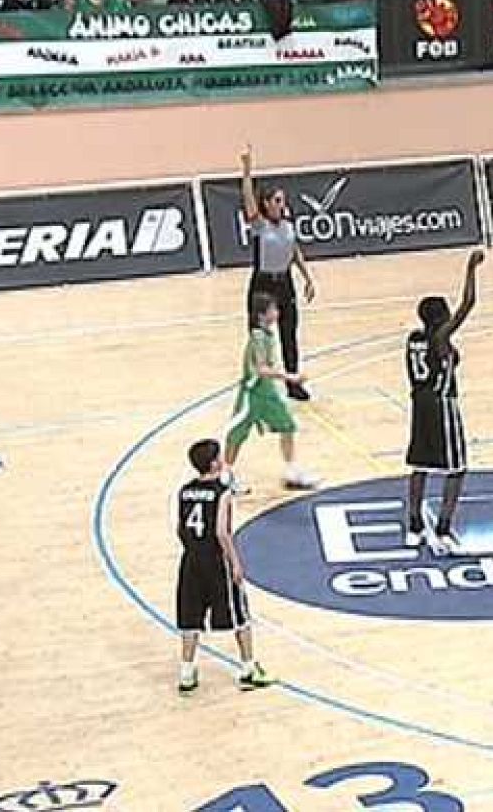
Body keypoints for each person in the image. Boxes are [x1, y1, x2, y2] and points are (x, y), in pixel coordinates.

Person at [175, 438, 279, 694]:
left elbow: (180, 528)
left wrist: (192, 548)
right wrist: (235, 562)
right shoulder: (222, 494)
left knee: (191, 617)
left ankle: (186, 674)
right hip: (215, 561)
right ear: (213, 464)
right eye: (219, 457)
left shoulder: (184, 491)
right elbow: (222, 532)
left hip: (190, 560)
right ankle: (248, 669)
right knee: (240, 616)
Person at [404, 250, 484, 555]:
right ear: (440, 318)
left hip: (418, 405)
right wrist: (471, 269)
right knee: (457, 468)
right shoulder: (440, 338)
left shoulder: (413, 338)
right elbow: (469, 305)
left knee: (419, 464)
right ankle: (444, 528)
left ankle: (413, 525)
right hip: (442, 405)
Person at [239, 144, 316, 402]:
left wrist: (307, 277)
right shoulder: (260, 226)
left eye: (283, 201)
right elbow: (248, 200)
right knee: (260, 337)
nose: (282, 205)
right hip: (263, 285)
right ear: (267, 204)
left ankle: (293, 383)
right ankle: (259, 384)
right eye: (277, 201)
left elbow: (294, 251)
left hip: (285, 283)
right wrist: (247, 171)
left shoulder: (288, 226)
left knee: (289, 333)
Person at [224, 292, 319, 491]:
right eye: (273, 309)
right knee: (236, 433)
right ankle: (225, 474)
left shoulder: (267, 335)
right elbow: (261, 369)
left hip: (267, 393)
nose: (277, 312)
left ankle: (291, 471)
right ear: (261, 315)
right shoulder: (258, 337)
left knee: (287, 426)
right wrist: (290, 377)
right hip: (253, 393)